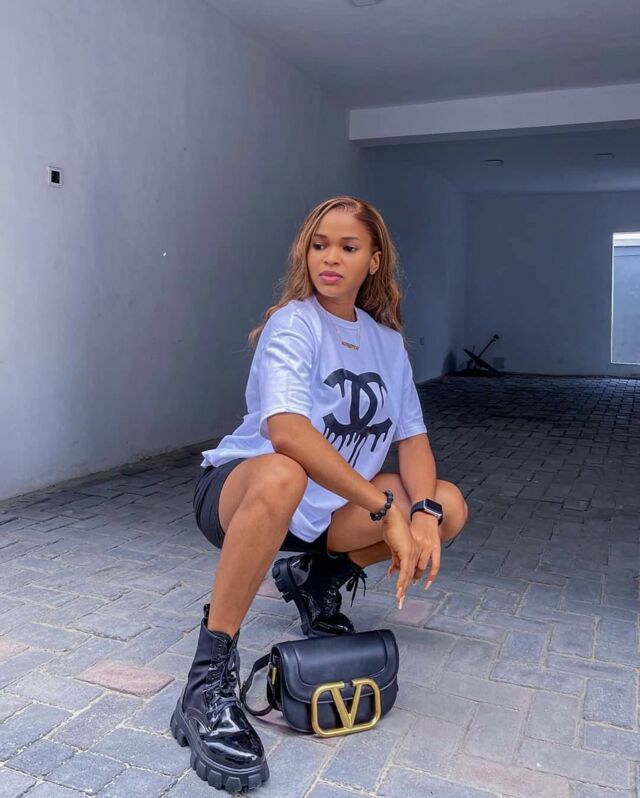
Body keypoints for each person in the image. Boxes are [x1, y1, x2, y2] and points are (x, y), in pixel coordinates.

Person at [170, 195, 469, 792]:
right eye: (319, 245)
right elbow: (287, 431)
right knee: (285, 471)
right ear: (305, 254)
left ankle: (315, 580)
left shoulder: (387, 344)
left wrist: (423, 513)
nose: (330, 258)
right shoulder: (294, 323)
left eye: (348, 247)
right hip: (244, 492)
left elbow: (412, 440)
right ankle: (206, 680)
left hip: (325, 511)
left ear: (374, 261)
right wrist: (384, 509)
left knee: (448, 503)